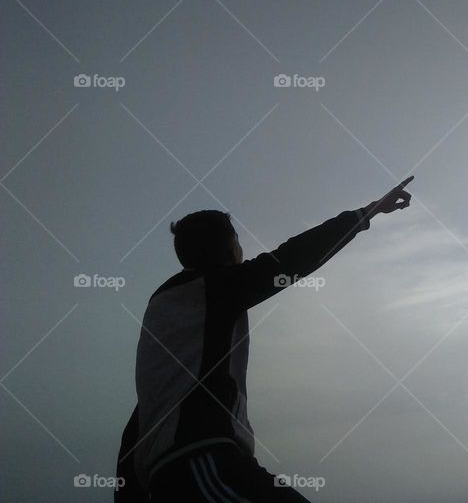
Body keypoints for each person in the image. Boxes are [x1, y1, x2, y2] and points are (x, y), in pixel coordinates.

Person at [115, 177, 414, 502]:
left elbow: (144, 414)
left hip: (181, 471)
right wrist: (365, 213)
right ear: (229, 249)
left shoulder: (173, 312)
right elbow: (290, 259)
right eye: (239, 243)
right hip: (201, 462)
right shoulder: (210, 288)